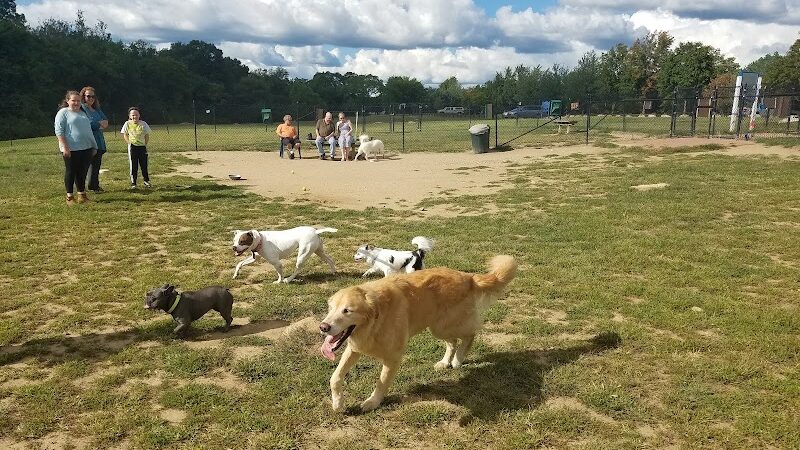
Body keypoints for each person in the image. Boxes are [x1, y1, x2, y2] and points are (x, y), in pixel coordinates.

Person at [55, 90, 98, 205]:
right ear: (67, 101)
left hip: (86, 147)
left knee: (82, 172)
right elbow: (59, 131)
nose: (76, 103)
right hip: (71, 148)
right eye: (73, 100)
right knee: (71, 172)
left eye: (78, 100)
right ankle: (69, 197)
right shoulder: (63, 112)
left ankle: (82, 196)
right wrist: (65, 147)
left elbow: (88, 131)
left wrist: (94, 146)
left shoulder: (83, 112)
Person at [79, 86, 108, 193]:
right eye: (88, 96)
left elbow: (105, 122)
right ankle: (81, 189)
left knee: (96, 165)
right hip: (88, 141)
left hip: (99, 141)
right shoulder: (82, 109)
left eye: (93, 96)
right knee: (85, 165)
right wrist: (98, 124)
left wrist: (98, 124)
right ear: (83, 96)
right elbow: (88, 124)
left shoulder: (97, 109)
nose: (91, 98)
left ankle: (94, 185)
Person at [120, 107, 152, 189]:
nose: (135, 117)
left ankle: (146, 181)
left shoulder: (143, 124)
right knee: (133, 165)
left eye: (136, 115)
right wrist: (129, 143)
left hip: (142, 147)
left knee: (144, 164)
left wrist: (145, 144)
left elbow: (147, 135)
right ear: (130, 116)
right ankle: (133, 182)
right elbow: (125, 134)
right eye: (133, 115)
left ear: (139, 115)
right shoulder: (127, 124)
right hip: (132, 147)